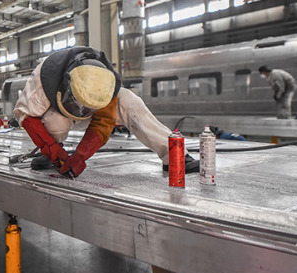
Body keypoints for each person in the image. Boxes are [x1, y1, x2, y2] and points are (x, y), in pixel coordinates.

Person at [13, 47, 199, 178]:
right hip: (57, 112)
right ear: (65, 85)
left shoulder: (106, 84)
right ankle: (48, 156)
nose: (81, 111)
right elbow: (25, 115)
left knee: (129, 100)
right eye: (79, 104)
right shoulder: (45, 76)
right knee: (56, 122)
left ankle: (174, 156)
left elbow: (103, 123)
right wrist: (54, 152)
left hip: (91, 109)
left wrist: (80, 156)